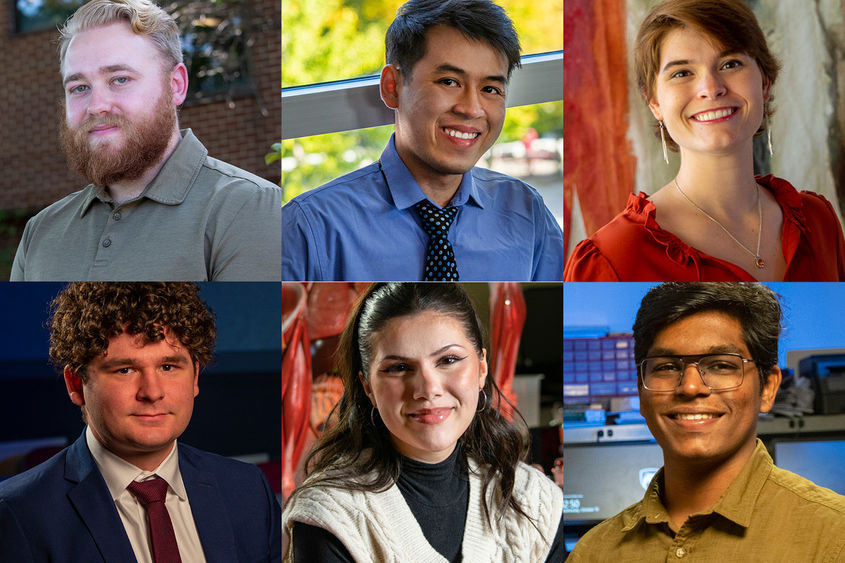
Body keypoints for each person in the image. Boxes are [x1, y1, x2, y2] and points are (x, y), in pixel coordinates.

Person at [564, 0, 845, 281]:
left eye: (730, 64)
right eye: (682, 73)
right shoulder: (611, 259)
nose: (711, 88)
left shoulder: (819, 222)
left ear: (764, 82)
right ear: (654, 102)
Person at [282, 0, 563, 281]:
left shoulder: (527, 213)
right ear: (392, 87)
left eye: (490, 89)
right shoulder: (309, 228)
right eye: (449, 82)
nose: (472, 108)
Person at [0, 283, 282, 562]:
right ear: (76, 384)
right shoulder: (18, 514)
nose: (152, 392)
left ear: (195, 376)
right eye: (125, 370)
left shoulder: (247, 489)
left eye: (168, 367)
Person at [282, 283, 563, 561]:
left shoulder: (536, 501)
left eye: (448, 360)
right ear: (367, 386)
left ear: (481, 369)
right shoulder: (330, 516)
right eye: (399, 368)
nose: (428, 389)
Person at [568, 283, 845, 561]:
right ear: (641, 392)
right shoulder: (593, 552)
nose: (690, 387)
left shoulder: (834, 536)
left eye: (721, 365)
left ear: (768, 388)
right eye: (666, 366)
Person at [10, 0, 281, 281]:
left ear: (176, 86)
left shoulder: (248, 207)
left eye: (120, 79)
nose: (96, 106)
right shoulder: (40, 232)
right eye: (79, 87)